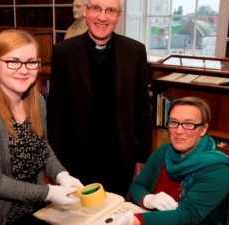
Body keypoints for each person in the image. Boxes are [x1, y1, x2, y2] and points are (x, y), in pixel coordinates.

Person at [0, 29, 83, 225]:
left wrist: (61, 174)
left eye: (31, 62)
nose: (24, 70)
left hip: (31, 208)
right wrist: (48, 192)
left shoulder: (36, 101)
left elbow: (42, 147)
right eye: (13, 61)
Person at [47, 0, 152, 197]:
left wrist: (142, 157)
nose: (102, 17)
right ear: (86, 11)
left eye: (110, 11)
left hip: (120, 158)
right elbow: (55, 112)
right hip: (75, 158)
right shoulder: (63, 51)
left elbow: (143, 109)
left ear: (118, 16)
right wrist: (56, 163)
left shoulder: (135, 51)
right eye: (96, 8)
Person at [114, 96, 229, 225]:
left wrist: (135, 220)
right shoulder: (163, 151)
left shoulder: (219, 169)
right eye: (174, 122)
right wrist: (148, 199)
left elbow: (188, 217)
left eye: (188, 124)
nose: (179, 131)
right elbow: (136, 186)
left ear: (203, 129)